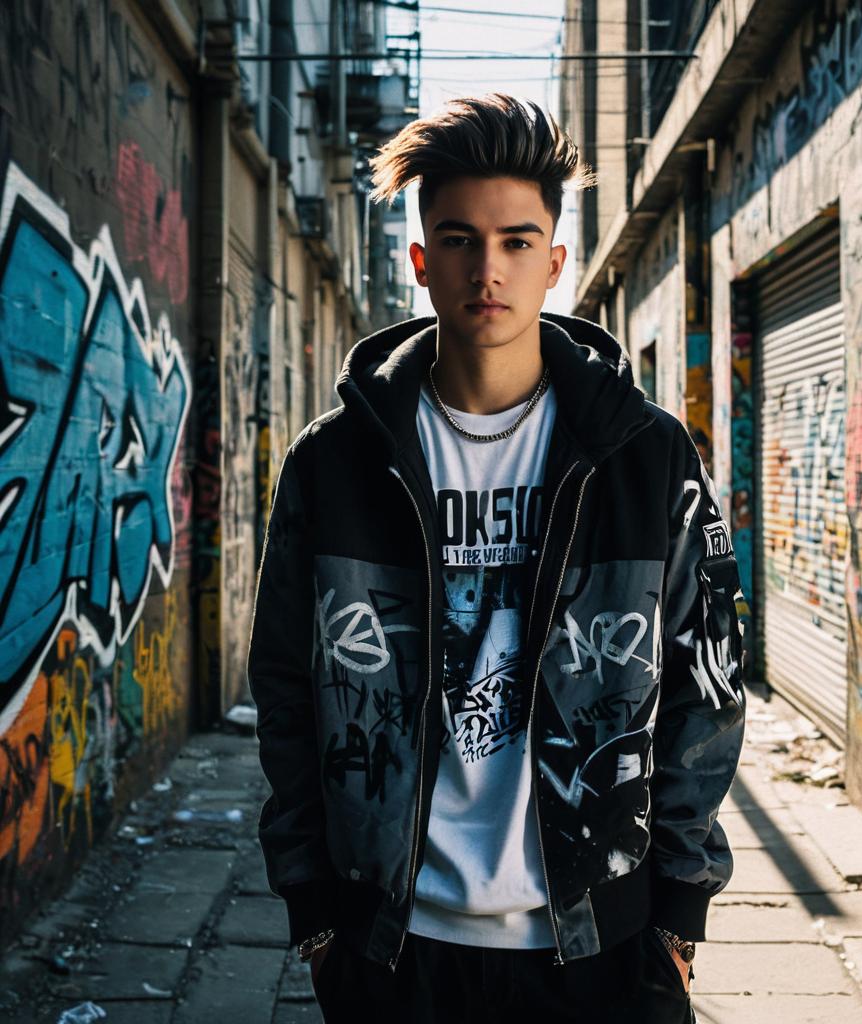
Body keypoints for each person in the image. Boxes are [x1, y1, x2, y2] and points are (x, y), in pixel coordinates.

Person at [247, 93, 746, 1024]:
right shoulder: (335, 463)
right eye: (462, 240)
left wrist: (677, 918)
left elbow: (705, 687)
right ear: (421, 260)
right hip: (393, 946)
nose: (490, 269)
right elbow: (286, 684)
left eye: (518, 242)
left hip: (596, 943)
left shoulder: (643, 455)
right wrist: (314, 913)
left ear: (555, 262)